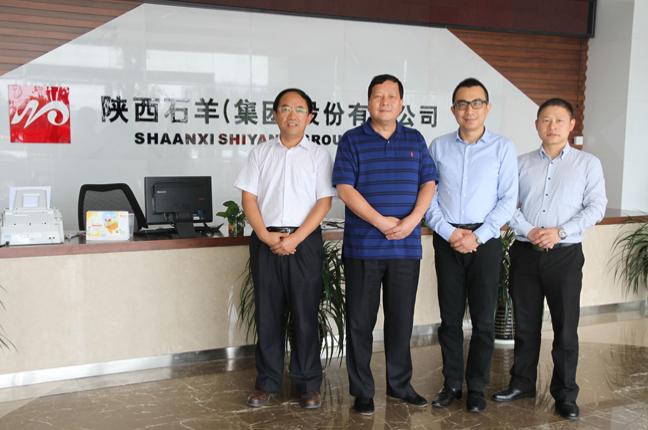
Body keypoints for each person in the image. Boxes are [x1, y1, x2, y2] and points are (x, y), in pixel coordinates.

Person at [492, 98, 607, 420]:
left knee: (565, 329)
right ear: (537, 125)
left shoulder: (588, 164)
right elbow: (507, 204)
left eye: (559, 120)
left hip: (565, 255)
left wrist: (560, 231)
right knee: (525, 325)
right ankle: (522, 383)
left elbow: (596, 207)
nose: (552, 126)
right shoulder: (521, 163)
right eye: (546, 120)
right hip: (525, 252)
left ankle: (565, 394)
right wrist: (530, 230)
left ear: (571, 125)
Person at [332, 74, 438, 416]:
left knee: (400, 321)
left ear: (401, 103)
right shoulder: (352, 140)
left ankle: (400, 385)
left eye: (392, 96)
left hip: (405, 249)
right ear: (369, 102)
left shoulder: (415, 139)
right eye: (378, 96)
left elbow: (429, 183)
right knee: (360, 322)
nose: (385, 102)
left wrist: (411, 221)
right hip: (363, 248)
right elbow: (344, 188)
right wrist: (380, 221)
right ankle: (362, 391)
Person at [234, 88, 335, 409]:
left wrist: (295, 238)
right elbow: (249, 198)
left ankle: (308, 384)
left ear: (310, 117)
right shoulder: (260, 153)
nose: (292, 115)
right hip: (266, 242)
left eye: (299, 109)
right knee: (268, 315)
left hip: (304, 244)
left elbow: (324, 202)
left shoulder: (319, 155)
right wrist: (265, 236)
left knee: (305, 315)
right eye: (286, 108)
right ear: (275, 114)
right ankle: (267, 383)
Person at [425, 77, 518, 412]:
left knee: (483, 320)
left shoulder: (503, 147)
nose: (469, 110)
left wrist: (477, 236)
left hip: (486, 241)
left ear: (487, 108)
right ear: (453, 110)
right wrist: (449, 232)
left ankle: (476, 386)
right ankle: (452, 384)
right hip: (447, 240)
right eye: (462, 104)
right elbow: (429, 196)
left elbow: (508, 199)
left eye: (476, 103)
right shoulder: (438, 146)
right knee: (449, 319)